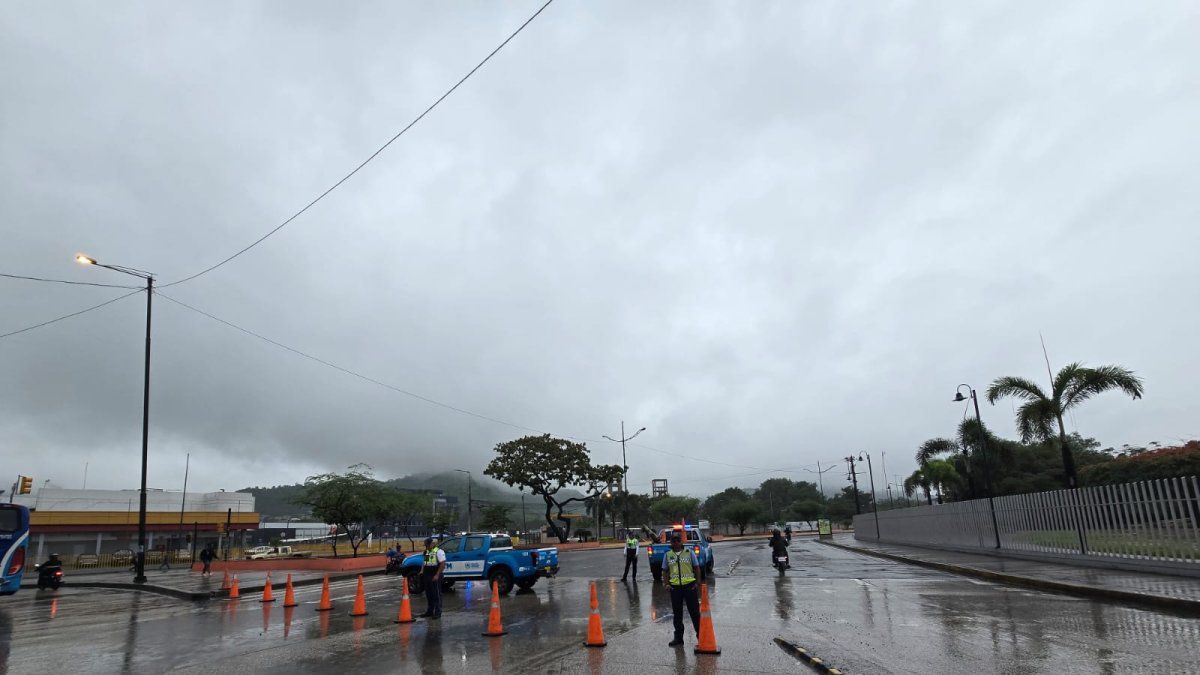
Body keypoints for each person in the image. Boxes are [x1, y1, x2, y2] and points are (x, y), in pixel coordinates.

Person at [661, 532, 701, 647]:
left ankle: (701, 636)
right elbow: (664, 570)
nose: (676, 542)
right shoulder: (668, 555)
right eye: (673, 541)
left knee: (694, 613)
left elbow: (697, 568)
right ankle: (678, 638)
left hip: (689, 586)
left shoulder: (689, 553)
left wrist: (697, 582)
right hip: (675, 589)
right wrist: (666, 584)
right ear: (671, 542)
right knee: (677, 614)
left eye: (678, 540)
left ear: (682, 541)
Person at [419, 536, 446, 620]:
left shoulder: (439, 552)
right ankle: (430, 611)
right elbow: (425, 562)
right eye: (425, 545)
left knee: (436, 594)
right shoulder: (427, 551)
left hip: (435, 573)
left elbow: (442, 564)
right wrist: (422, 571)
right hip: (427, 574)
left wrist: (437, 575)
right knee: (429, 594)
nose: (426, 546)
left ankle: (438, 612)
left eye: (427, 545)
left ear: (432, 544)